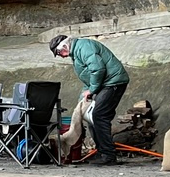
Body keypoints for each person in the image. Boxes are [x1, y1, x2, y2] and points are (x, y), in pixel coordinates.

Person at [50, 34, 130, 165]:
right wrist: (83, 97)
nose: (61, 56)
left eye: (59, 53)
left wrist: (92, 90)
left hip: (113, 82)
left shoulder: (83, 47)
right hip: (106, 84)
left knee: (99, 115)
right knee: (91, 116)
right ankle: (102, 152)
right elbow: (88, 77)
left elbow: (98, 69)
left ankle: (108, 155)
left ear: (64, 46)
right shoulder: (77, 51)